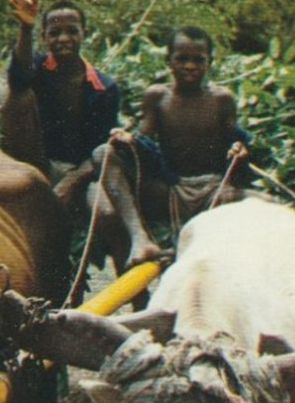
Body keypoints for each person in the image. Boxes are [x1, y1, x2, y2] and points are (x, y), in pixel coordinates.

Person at [100, 25, 251, 266]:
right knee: (104, 153)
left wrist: (240, 150)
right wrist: (128, 140)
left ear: (209, 62)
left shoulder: (222, 99)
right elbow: (144, 140)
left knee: (269, 205)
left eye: (198, 60)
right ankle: (140, 239)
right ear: (168, 61)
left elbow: (236, 141)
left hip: (215, 190)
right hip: (170, 191)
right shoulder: (157, 96)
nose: (190, 66)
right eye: (182, 59)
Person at [0, 0, 120, 217]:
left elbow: (102, 150)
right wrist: (26, 27)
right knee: (19, 95)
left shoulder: (104, 87)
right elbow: (18, 76)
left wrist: (71, 182)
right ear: (44, 36)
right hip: (37, 165)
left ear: (85, 33)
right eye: (55, 33)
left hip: (80, 171)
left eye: (72, 31)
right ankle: (27, 181)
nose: (63, 39)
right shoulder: (37, 67)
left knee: (104, 206)